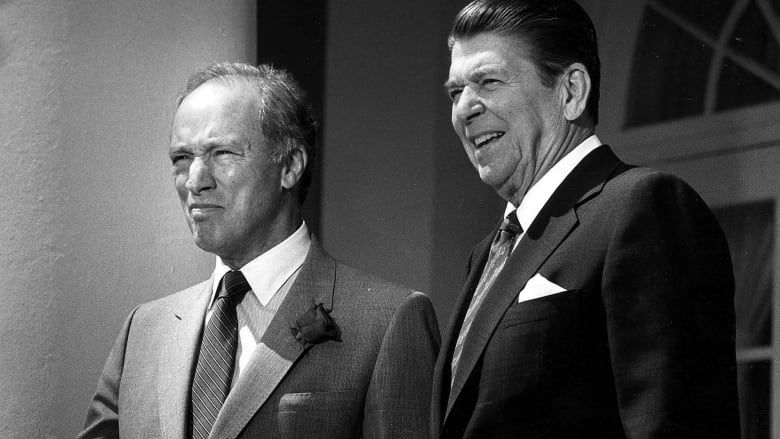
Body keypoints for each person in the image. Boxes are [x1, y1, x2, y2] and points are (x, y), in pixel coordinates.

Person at [78, 62, 439, 439]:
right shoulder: (144, 329)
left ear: (290, 166)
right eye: (181, 158)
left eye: (223, 153)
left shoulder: (388, 322)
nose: (195, 182)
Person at [432, 0, 739, 437]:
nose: (464, 109)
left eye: (488, 81)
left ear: (571, 92)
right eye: (455, 92)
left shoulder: (641, 207)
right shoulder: (488, 254)